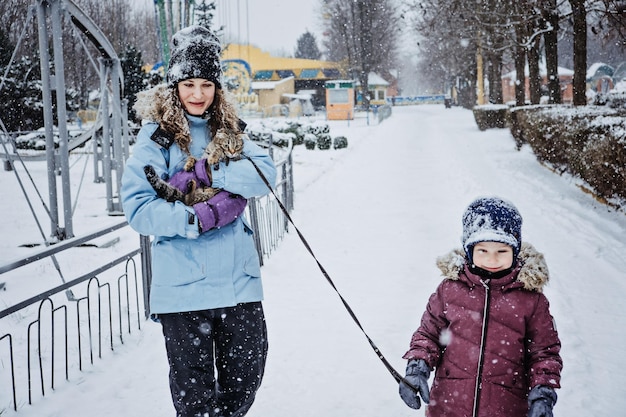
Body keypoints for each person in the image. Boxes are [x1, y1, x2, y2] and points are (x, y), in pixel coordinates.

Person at [120, 25, 277, 417]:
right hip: (184, 289)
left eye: (206, 84)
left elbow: (265, 175)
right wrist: (196, 219)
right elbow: (138, 206)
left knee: (245, 381)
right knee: (196, 403)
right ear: (174, 84)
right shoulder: (157, 138)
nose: (197, 94)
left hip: (238, 285)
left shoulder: (231, 131)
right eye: (188, 83)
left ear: (217, 87)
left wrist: (213, 175)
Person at [399, 197, 562, 417]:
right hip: (448, 406)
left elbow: (544, 353)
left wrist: (543, 393)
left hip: (506, 409)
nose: (492, 259)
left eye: (502, 251)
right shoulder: (450, 290)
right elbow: (429, 334)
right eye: (482, 250)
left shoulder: (531, 300)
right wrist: (417, 368)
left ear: (515, 251)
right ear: (469, 250)